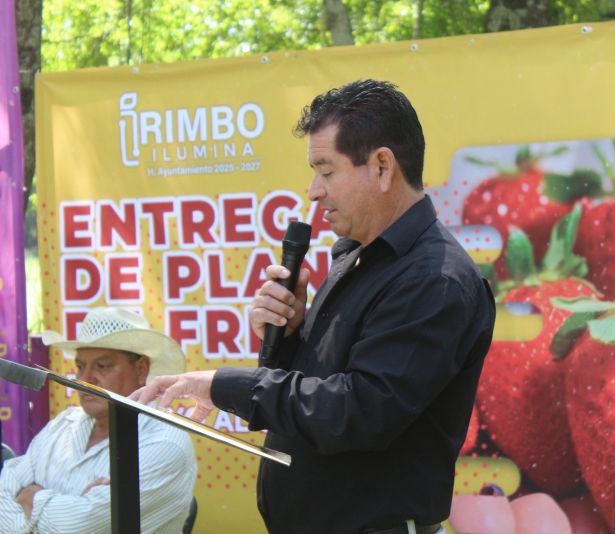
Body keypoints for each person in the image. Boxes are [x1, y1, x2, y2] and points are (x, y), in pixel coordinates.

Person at [132, 79, 496, 534]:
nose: (312, 191)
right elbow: (319, 390)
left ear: (383, 166)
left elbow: (358, 412)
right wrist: (289, 337)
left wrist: (225, 385)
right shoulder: (359, 256)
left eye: (326, 171)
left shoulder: (433, 279)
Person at [0, 307, 197, 534]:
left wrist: (29, 497)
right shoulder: (62, 424)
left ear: (141, 369)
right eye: (80, 366)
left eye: (102, 366)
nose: (85, 379)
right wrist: (72, 506)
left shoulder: (165, 443)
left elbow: (76, 529)